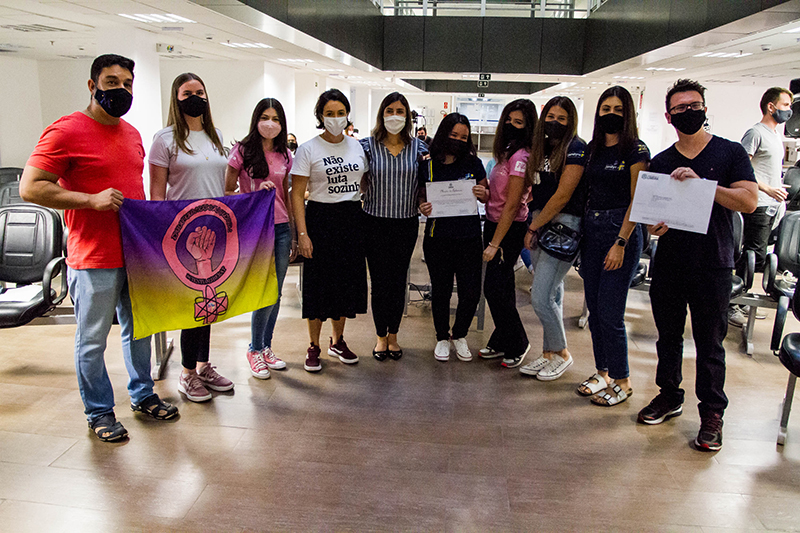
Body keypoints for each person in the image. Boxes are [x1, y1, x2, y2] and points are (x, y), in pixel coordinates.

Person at [20, 54, 178, 442]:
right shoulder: (66, 130)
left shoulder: (132, 133)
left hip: (136, 254)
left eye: (126, 83)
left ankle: (142, 394)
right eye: (111, 82)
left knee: (139, 330)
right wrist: (90, 201)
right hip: (93, 257)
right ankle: (99, 411)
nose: (120, 90)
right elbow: (31, 186)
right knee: (92, 339)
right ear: (92, 86)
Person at [638, 79, 757, 451]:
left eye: (695, 105)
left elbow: (748, 201)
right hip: (671, 262)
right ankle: (669, 395)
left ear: (705, 108)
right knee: (668, 338)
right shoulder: (662, 161)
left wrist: (704, 186)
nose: (689, 112)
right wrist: (652, 225)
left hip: (714, 264)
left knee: (710, 344)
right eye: (681, 108)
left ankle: (712, 413)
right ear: (669, 116)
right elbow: (652, 213)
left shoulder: (730, 152)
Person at [149, 72, 233, 402]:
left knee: (209, 300)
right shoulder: (165, 139)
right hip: (182, 232)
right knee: (191, 305)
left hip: (214, 230)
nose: (195, 97)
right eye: (187, 93)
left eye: (200, 91)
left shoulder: (216, 135)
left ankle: (202, 365)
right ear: (176, 97)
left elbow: (222, 185)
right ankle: (185, 374)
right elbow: (156, 193)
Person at [577, 86, 650, 406]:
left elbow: (639, 199)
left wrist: (620, 242)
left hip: (621, 232)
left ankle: (623, 379)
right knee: (594, 310)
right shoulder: (592, 148)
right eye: (606, 108)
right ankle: (602, 372)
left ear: (628, 113)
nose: (611, 114)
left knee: (610, 312)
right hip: (592, 231)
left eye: (618, 109)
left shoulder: (636, 149)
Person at [291, 89, 368, 372]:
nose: (336, 119)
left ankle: (338, 340)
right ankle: (314, 345)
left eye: (340, 113)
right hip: (320, 219)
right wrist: (303, 234)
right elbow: (297, 194)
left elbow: (364, 182)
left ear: (347, 115)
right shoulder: (308, 148)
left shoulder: (357, 147)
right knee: (318, 285)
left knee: (344, 284)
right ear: (320, 117)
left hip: (350, 218)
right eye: (329, 114)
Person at [225, 98, 295, 379]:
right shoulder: (241, 151)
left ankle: (266, 346)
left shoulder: (285, 154)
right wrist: (253, 194)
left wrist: (292, 229)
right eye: (265, 117)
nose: (271, 123)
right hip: (255, 229)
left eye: (276, 119)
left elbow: (286, 193)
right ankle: (254, 349)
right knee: (261, 291)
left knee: (276, 291)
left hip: (280, 228)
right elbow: (227, 192)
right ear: (256, 120)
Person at [518, 96, 587, 375]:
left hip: (563, 226)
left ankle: (562, 352)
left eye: (561, 118)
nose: (554, 123)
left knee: (541, 296)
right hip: (539, 219)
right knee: (553, 295)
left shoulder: (576, 148)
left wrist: (533, 227)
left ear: (570, 121)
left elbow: (562, 196)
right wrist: (534, 221)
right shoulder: (541, 149)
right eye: (550, 117)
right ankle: (548, 353)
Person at [360, 92, 428, 361]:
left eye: (400, 111)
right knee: (379, 282)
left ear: (408, 116)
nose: (395, 116)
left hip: (406, 223)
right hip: (374, 222)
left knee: (398, 281)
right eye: (390, 110)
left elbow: (425, 184)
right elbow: (360, 181)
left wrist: (425, 201)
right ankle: (379, 337)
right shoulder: (366, 146)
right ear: (382, 114)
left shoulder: (420, 148)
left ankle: (394, 336)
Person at [418, 113, 488, 362]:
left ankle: (460, 335)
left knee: (471, 292)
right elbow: (421, 195)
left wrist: (483, 194)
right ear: (444, 134)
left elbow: (486, 192)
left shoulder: (473, 163)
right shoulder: (427, 164)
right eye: (454, 135)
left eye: (464, 137)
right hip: (438, 238)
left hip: (469, 237)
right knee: (441, 290)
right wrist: (422, 206)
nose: (458, 140)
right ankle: (441, 337)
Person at [477, 99, 537, 367]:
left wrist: (494, 243)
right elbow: (500, 195)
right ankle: (501, 339)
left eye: (519, 122)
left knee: (493, 288)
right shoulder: (504, 154)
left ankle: (518, 342)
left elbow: (512, 205)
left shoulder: (521, 157)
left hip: (508, 229)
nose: (512, 126)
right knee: (503, 288)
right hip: (492, 221)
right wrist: (486, 195)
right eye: (509, 120)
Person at [728, 86, 793, 327]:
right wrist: (766, 189)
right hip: (758, 204)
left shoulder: (776, 134)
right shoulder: (755, 133)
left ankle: (743, 301)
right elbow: (743, 170)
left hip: (771, 206)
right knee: (751, 255)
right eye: (786, 105)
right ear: (771, 107)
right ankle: (733, 303)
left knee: (757, 255)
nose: (789, 110)